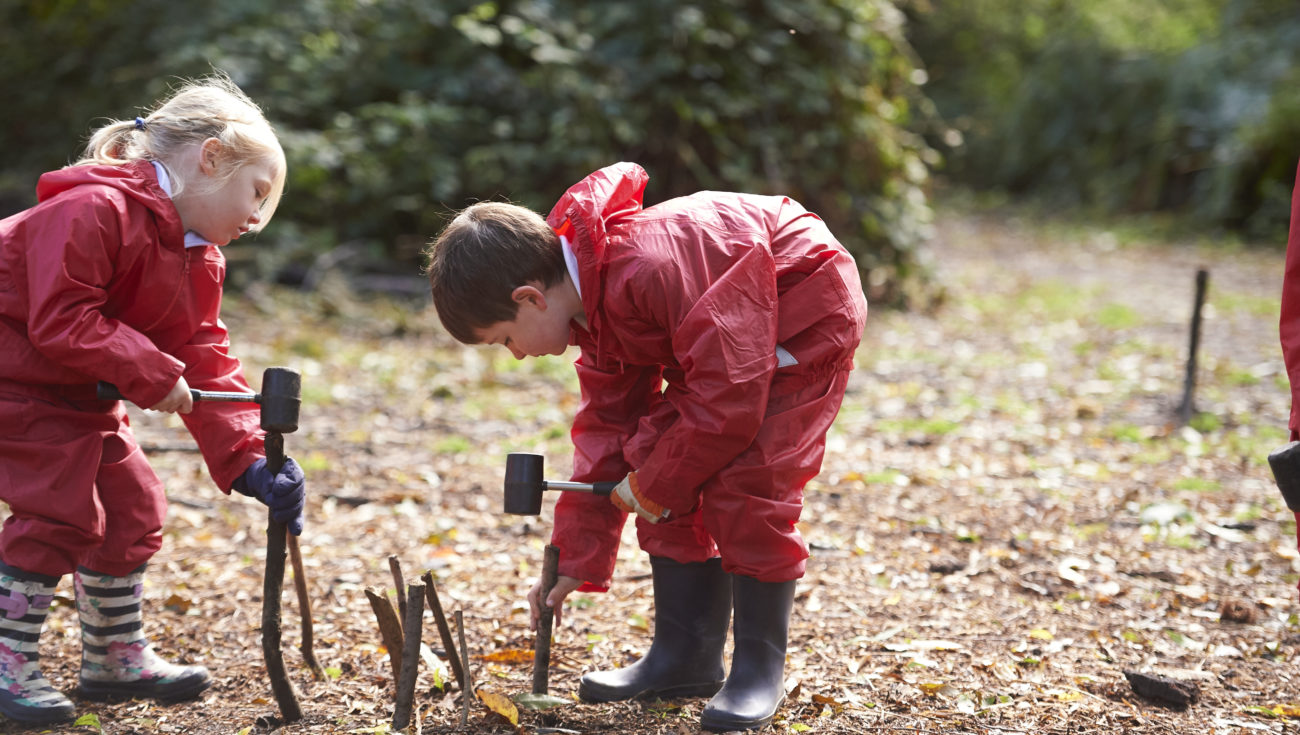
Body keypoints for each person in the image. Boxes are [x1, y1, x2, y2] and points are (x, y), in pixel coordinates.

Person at [427, 161, 867, 732]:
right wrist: (576, 560)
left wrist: (654, 482)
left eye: (504, 339)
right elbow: (608, 428)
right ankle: (684, 656)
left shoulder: (645, 270)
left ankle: (759, 668)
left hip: (802, 308)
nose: (514, 354)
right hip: (729, 339)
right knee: (652, 456)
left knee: (746, 480)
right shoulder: (591, 309)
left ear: (530, 297)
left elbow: (729, 397)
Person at [0, 74, 306, 725]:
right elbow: (61, 320)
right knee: (61, 508)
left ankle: (111, 657)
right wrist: (148, 368)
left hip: (71, 388)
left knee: (133, 504)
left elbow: (206, 355)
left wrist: (250, 458)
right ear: (211, 157)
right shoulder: (92, 210)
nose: (257, 217)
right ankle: (6, 660)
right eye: (257, 192)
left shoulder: (196, 256)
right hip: (14, 377)